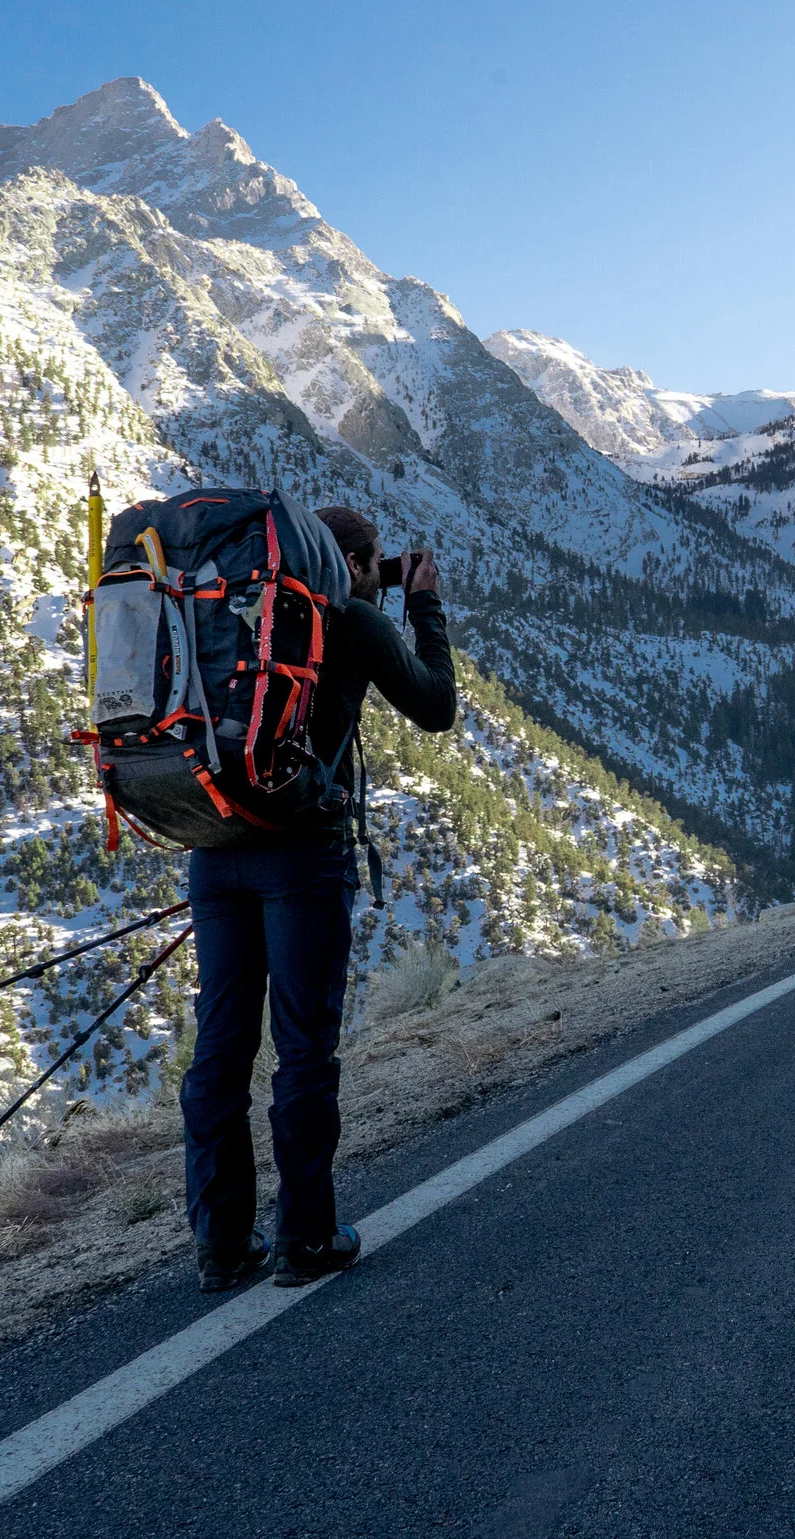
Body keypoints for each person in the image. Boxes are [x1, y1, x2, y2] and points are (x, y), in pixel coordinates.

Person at [183, 506, 456, 1291]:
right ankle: (306, 1237)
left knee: (221, 1048)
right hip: (301, 854)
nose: (382, 571)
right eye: (375, 561)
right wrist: (426, 604)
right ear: (356, 564)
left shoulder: (233, 611)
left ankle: (224, 1245)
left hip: (216, 845)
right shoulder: (354, 619)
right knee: (302, 1048)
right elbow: (436, 706)